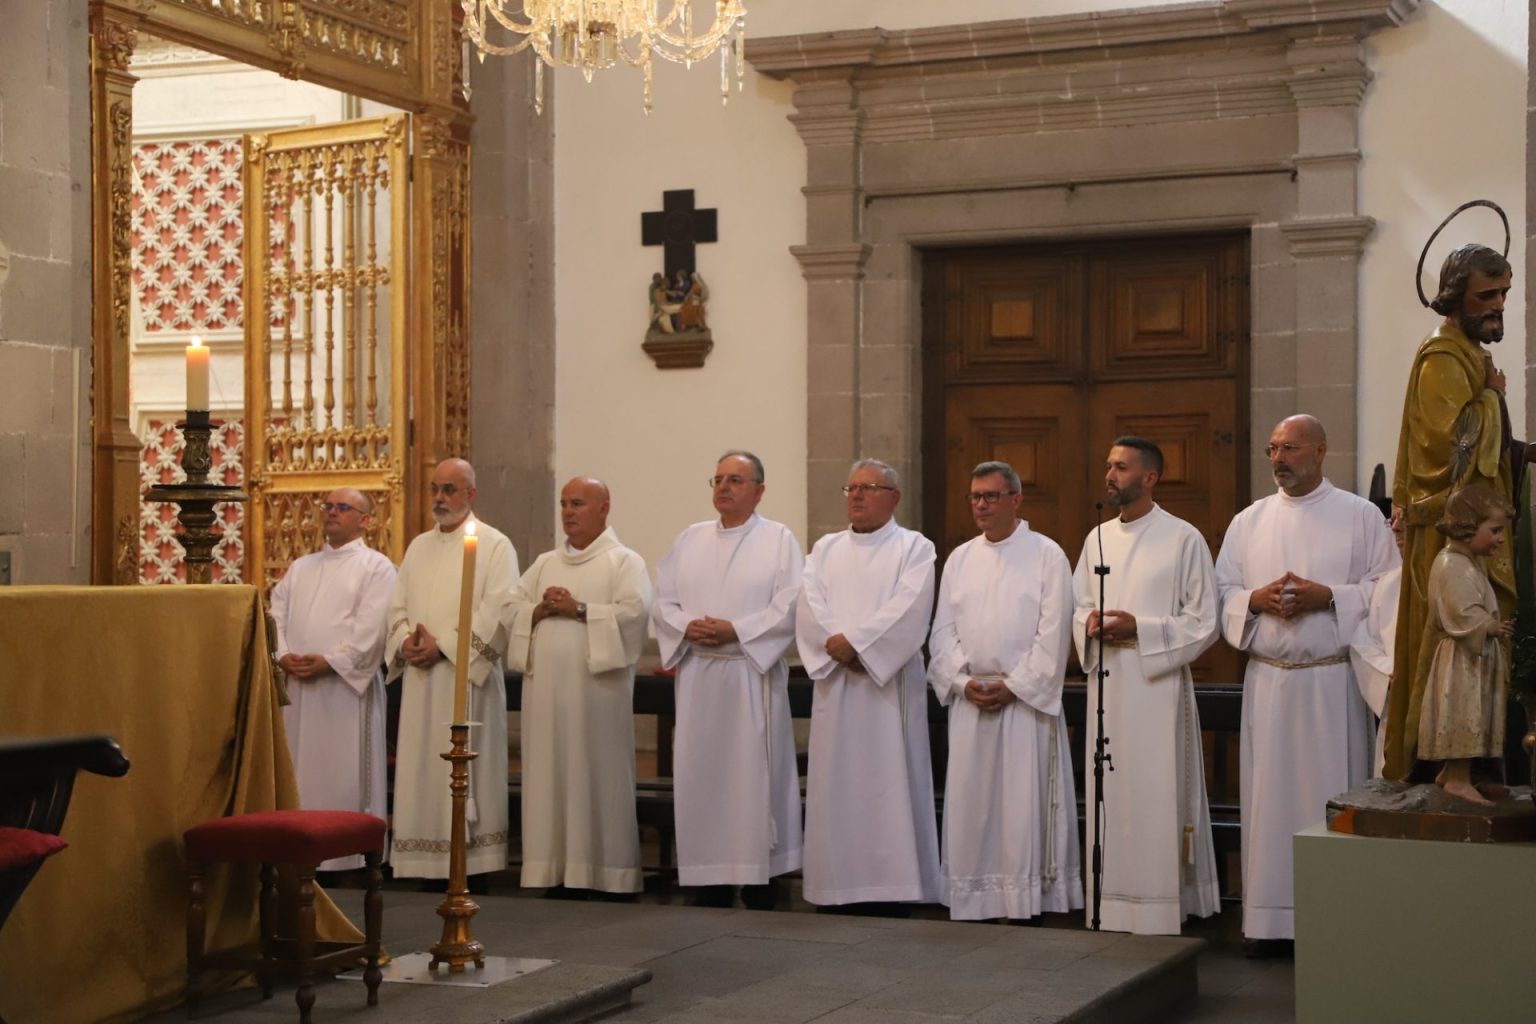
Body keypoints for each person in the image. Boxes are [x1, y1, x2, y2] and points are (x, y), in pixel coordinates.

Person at [1215, 415, 1398, 951]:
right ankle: (1270, 924)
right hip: (1270, 685)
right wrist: (1254, 600)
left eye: (1290, 448)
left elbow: (1385, 589)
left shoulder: (1361, 516)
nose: (1278, 458)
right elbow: (1223, 590)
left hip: (1330, 686)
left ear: (1321, 451)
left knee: (1331, 797)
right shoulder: (1249, 521)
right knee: (1268, 808)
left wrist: (1331, 597)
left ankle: (1335, 923)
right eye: (1273, 448)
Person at [1386, 243, 1535, 780]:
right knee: (1452, 652)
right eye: (1486, 296)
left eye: (1504, 294)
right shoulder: (1443, 357)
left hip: (1478, 532)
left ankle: (1476, 768)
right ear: (1456, 298)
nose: (1497, 305)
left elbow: (1487, 452)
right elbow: (1450, 446)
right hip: (1449, 537)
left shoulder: (1469, 353)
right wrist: (1493, 398)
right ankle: (1438, 770)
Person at [1071, 438, 1220, 934]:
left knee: (1155, 795)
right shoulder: (1096, 539)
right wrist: (1088, 621)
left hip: (1155, 687)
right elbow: (1077, 605)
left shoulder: (1183, 538)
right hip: (1108, 689)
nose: (1109, 475)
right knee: (1110, 794)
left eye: (1121, 467)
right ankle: (1109, 905)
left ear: (1150, 477)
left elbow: (1204, 621)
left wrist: (1142, 628)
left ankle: (1159, 908)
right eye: (1108, 465)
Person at [929, 460, 1082, 922]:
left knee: (1021, 805)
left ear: (1016, 499)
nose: (981, 505)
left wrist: (1015, 687)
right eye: (975, 496)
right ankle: (977, 899)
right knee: (973, 805)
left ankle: (1024, 900)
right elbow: (941, 633)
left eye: (991, 496)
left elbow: (1053, 633)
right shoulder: (960, 559)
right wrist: (960, 680)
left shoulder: (1046, 555)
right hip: (972, 698)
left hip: (1024, 703)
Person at [652, 451, 803, 909]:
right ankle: (707, 876)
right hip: (700, 678)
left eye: (735, 480)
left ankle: (760, 877)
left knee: (751, 778)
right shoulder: (690, 539)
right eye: (718, 479)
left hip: (748, 675)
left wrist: (736, 630)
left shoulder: (779, 540)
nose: (724, 487)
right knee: (703, 776)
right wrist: (686, 627)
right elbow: (663, 601)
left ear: (759, 489)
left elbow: (791, 605)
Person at [795, 458, 941, 912]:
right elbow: (809, 605)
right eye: (851, 488)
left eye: (868, 488)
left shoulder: (914, 548)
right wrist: (837, 645)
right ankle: (836, 886)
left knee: (889, 781)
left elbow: (909, 609)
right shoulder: (824, 549)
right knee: (836, 784)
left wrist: (858, 645)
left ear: (894, 497)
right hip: (837, 688)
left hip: (886, 686)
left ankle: (894, 887)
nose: (856, 495)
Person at [508, 477, 652, 895]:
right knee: (550, 773)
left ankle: (606, 872)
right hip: (547, 697)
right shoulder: (544, 564)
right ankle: (548, 868)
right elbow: (509, 608)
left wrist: (580, 609)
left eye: (579, 504)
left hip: (596, 698)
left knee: (596, 774)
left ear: (604, 508)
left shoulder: (624, 562)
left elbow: (634, 614)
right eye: (564, 504)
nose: (569, 512)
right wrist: (538, 609)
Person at [385, 458, 520, 883]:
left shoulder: (496, 546)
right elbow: (397, 607)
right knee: (423, 766)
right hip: (422, 684)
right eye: (435, 489)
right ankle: (421, 861)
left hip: (465, 681)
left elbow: (499, 611)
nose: (440, 498)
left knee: (466, 765)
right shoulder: (417, 547)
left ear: (471, 494)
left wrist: (444, 647)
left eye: (450, 490)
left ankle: (474, 866)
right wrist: (405, 642)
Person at [270, 487, 396, 873]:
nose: (332, 513)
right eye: (328, 506)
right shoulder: (301, 567)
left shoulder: (377, 567)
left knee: (344, 776)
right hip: (299, 692)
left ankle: (348, 858)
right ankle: (300, 849)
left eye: (343, 507)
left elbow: (373, 628)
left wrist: (332, 662)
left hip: (344, 691)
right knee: (300, 773)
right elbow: (275, 613)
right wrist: (282, 654)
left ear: (365, 520)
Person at [1418, 484, 1515, 805]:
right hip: (1461, 659)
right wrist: (1488, 626)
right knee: (1462, 713)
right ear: (1468, 527)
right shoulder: (1451, 565)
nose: (1501, 539)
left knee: (1474, 713)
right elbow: (1458, 610)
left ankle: (1457, 773)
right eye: (1495, 530)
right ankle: (1457, 779)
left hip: (1475, 655)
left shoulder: (1468, 561)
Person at [1348, 506, 1405, 777]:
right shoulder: (1390, 583)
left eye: (1406, 518)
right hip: (1398, 711)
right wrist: (1387, 671)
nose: (1396, 528)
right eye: (1393, 519)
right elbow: (1363, 643)